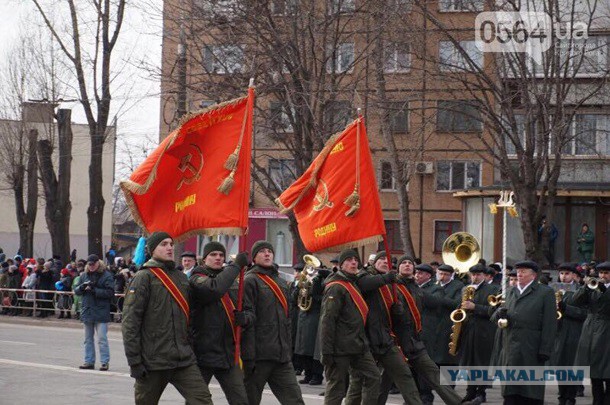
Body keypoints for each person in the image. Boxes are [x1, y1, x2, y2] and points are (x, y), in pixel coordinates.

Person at [122, 231, 212, 405]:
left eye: (171, 244)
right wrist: (134, 361)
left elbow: (192, 312)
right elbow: (130, 322)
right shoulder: (144, 277)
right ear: (152, 249)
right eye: (164, 244)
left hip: (182, 358)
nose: (170, 247)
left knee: (203, 400)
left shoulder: (180, 277)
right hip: (153, 360)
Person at [344, 251, 421, 405]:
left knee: (403, 373)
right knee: (359, 382)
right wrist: (386, 278)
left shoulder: (391, 284)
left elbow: (392, 313)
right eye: (382, 259)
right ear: (374, 263)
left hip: (385, 338)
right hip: (366, 340)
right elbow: (365, 285)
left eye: (388, 261)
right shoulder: (365, 276)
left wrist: (397, 311)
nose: (385, 262)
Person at [395, 262, 476, 405]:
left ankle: (427, 398)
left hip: (428, 333)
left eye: (421, 273)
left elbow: (435, 301)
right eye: (417, 272)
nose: (417, 275)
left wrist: (413, 288)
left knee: (427, 370)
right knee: (410, 370)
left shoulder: (435, 288)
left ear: (428, 276)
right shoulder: (406, 286)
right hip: (409, 333)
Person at [240, 240, 305, 405]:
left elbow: (287, 319)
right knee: (249, 401)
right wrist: (248, 356)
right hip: (259, 356)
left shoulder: (281, 282)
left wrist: (288, 349)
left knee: (295, 400)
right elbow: (247, 321)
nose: (267, 254)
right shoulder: (250, 280)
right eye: (262, 251)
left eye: (269, 251)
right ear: (254, 258)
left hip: (281, 356)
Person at [189, 241, 249, 405]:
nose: (218, 258)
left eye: (221, 255)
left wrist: (245, 317)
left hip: (227, 354)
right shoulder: (196, 279)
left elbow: (249, 309)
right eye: (213, 255)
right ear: (204, 259)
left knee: (241, 400)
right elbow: (214, 289)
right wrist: (236, 266)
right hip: (202, 354)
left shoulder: (232, 281)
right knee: (197, 401)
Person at [491, 260, 557, 405]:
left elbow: (550, 323)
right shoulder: (509, 292)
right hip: (510, 345)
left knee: (530, 389)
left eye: (523, 271)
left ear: (533, 276)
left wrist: (545, 349)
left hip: (531, 345)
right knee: (510, 389)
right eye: (518, 271)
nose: (519, 274)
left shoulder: (545, 293)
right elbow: (494, 318)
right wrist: (499, 314)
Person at [319, 249, 380, 405]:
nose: (354, 262)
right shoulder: (336, 287)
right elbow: (328, 320)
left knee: (373, 376)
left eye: (355, 260)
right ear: (341, 265)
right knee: (336, 389)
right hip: (339, 347)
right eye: (349, 260)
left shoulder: (352, 283)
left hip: (358, 345)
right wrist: (326, 351)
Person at [571, 261, 610, 405]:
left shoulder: (604, 289)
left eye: (606, 273)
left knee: (607, 372)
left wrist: (604, 291)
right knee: (595, 374)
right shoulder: (593, 287)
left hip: (607, 331)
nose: (603, 276)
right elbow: (575, 301)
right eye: (601, 273)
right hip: (591, 330)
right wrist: (586, 288)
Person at [458, 264, 496, 403]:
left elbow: (494, 311)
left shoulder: (492, 289)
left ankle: (481, 391)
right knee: (469, 362)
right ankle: (470, 391)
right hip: (468, 329)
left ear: (484, 276)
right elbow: (459, 306)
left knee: (482, 362)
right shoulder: (465, 289)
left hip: (484, 330)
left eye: (478, 274)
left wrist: (475, 307)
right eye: (473, 274)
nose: (475, 277)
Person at [550, 263, 587, 405]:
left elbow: (584, 313)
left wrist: (566, 308)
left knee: (571, 366)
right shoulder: (553, 289)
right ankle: (562, 396)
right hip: (558, 332)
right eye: (561, 273)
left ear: (573, 275)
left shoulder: (580, 290)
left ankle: (570, 397)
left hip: (573, 332)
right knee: (560, 366)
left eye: (567, 274)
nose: (563, 276)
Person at [73, 254, 114, 370]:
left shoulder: (106, 276)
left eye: (93, 264)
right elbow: (76, 290)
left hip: (101, 312)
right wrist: (82, 288)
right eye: (89, 264)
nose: (91, 266)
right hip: (88, 310)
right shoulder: (84, 276)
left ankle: (104, 362)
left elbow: (110, 292)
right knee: (87, 339)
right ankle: (89, 361)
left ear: (98, 263)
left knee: (102, 339)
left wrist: (94, 290)